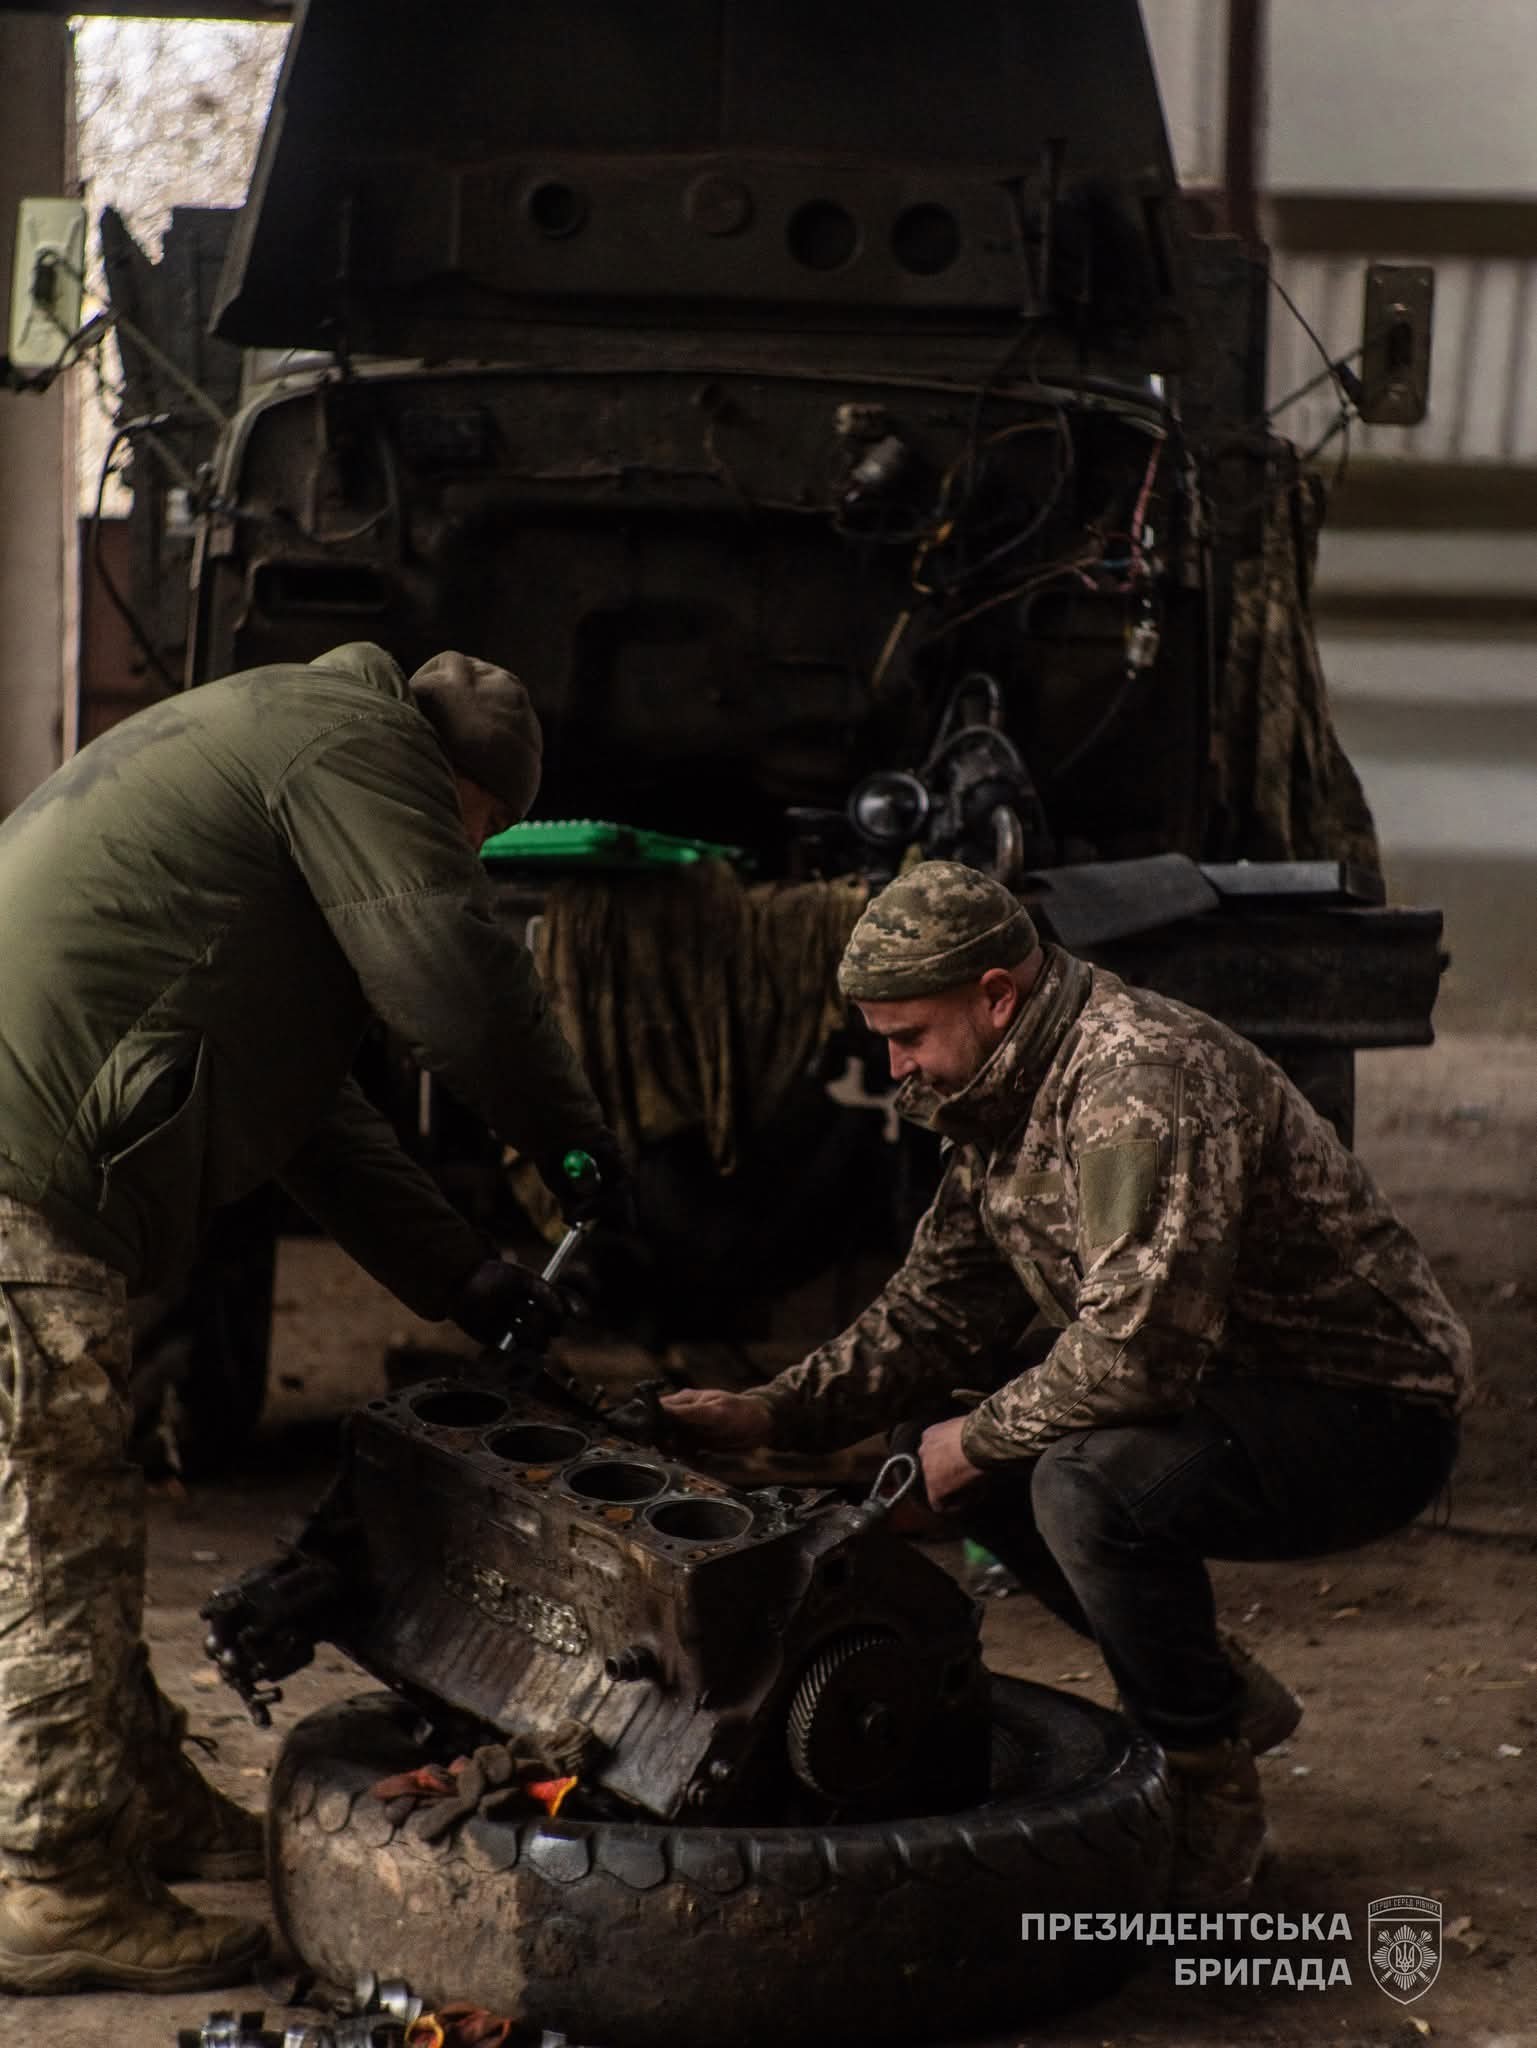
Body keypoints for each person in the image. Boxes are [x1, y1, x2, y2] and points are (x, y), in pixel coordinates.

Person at [663, 860, 1470, 1907]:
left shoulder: (1137, 1082)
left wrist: (975, 1439)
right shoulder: (999, 1077)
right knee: (948, 1437)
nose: (894, 1060)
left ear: (996, 994)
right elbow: (938, 1307)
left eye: (908, 1032)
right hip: (1227, 1379)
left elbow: (1136, 1355)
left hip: (1369, 1407)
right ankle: (1212, 1684)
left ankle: (1208, 1788)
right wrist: (776, 1407)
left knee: (1080, 1481)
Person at [0, 642, 624, 1993]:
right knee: (55, 1531)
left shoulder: (281, 760)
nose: (470, 854)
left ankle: (141, 1803)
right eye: (480, 832)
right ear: (462, 791)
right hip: (20, 1174)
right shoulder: (361, 751)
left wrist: (465, 1276)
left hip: (29, 1152)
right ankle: (55, 1885)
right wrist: (581, 1152)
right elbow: (458, 986)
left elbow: (315, 1123)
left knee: (85, 1517)